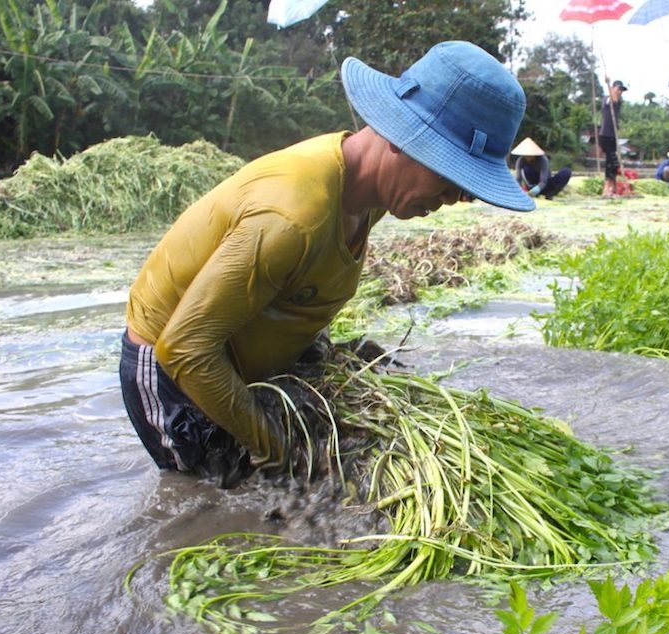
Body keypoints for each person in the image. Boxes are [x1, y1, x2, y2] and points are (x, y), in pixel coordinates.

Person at [119, 41, 533, 489]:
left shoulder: (369, 195)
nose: (456, 198)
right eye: (450, 176)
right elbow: (184, 349)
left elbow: (298, 283)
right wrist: (277, 448)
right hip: (172, 376)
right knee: (203, 502)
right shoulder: (289, 218)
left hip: (238, 360)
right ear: (401, 138)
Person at [599, 78, 627, 197]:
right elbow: (611, 100)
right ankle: (607, 189)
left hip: (613, 135)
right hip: (605, 135)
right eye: (618, 89)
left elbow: (615, 101)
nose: (620, 92)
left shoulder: (618, 102)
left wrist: (610, 86)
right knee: (611, 161)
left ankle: (613, 188)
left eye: (621, 90)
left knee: (613, 163)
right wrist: (609, 85)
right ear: (614, 88)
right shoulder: (606, 99)